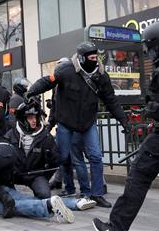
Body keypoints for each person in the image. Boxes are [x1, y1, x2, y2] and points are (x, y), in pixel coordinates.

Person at [93, 21, 159, 231]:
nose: (148, 53)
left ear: (157, 45)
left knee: (137, 178)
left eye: (149, 48)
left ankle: (115, 227)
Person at [25, 41, 129, 208]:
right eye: (92, 57)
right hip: (66, 123)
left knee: (96, 157)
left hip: (88, 123)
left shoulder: (101, 76)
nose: (95, 60)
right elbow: (47, 81)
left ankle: (96, 194)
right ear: (82, 57)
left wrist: (123, 120)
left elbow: (111, 100)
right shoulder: (65, 71)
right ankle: (41, 184)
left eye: (96, 57)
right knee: (63, 157)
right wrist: (31, 92)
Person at [5, 99, 60, 199]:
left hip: (36, 175)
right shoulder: (10, 135)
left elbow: (55, 161)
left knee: (45, 195)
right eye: (30, 118)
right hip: (15, 174)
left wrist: (43, 176)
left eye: (35, 117)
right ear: (22, 119)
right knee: (3, 189)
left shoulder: (46, 137)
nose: (34, 120)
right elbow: (2, 158)